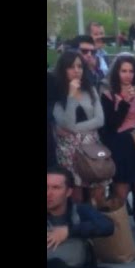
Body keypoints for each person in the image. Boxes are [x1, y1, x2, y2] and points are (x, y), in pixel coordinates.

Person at [100, 55, 135, 251]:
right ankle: (121, 236)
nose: (127, 75)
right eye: (123, 71)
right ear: (116, 72)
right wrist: (125, 101)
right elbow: (111, 125)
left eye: (131, 71)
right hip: (120, 144)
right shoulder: (108, 94)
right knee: (121, 192)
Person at [51, 50, 106, 204]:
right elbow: (68, 123)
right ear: (63, 70)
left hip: (92, 148)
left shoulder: (90, 89)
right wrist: (71, 96)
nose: (76, 70)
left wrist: (76, 128)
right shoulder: (57, 93)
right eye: (71, 67)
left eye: (80, 66)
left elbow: (100, 120)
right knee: (77, 195)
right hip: (69, 151)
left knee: (97, 194)